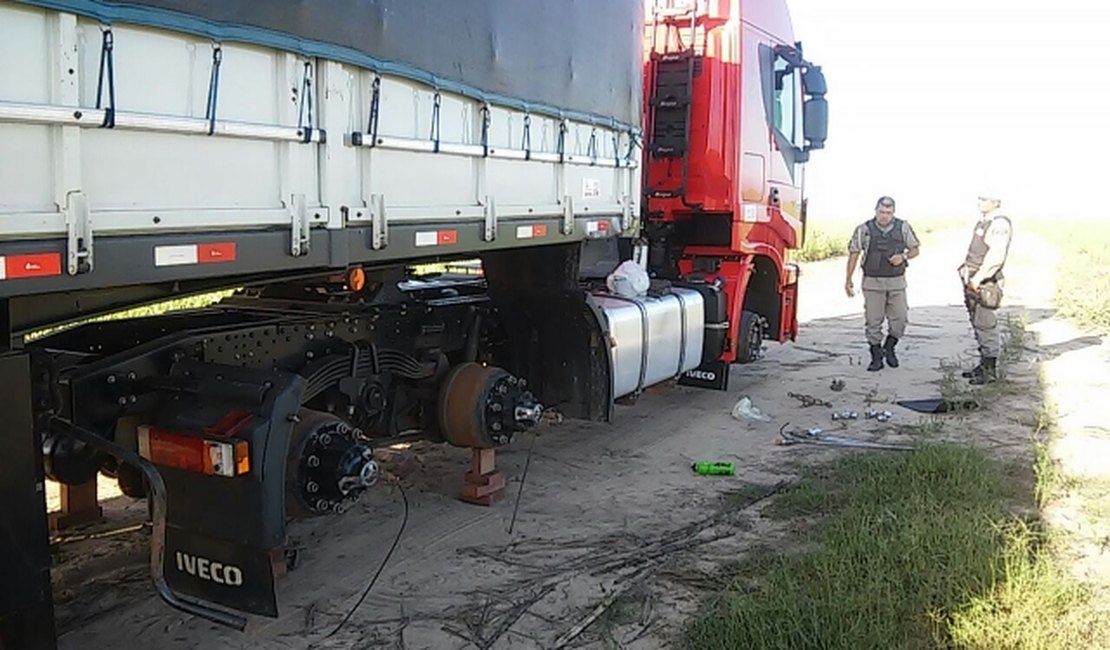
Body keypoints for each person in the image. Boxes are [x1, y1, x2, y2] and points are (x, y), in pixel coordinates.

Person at [844, 196, 921, 371]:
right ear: (876, 210)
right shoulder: (864, 229)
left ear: (893, 212)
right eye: (881, 212)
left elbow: (915, 249)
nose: (885, 216)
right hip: (872, 282)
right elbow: (854, 253)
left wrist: (903, 256)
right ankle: (876, 355)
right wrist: (848, 280)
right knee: (873, 321)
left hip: (897, 282)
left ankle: (890, 346)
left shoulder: (903, 227)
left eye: (888, 212)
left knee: (900, 320)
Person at [958, 195, 1013, 384]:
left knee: (985, 324)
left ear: (996, 202)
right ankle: (983, 365)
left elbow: (996, 256)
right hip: (973, 278)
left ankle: (989, 370)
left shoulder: (999, 224)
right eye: (979, 198)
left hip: (986, 281)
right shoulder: (984, 222)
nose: (979, 202)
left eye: (984, 198)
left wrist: (978, 278)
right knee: (977, 322)